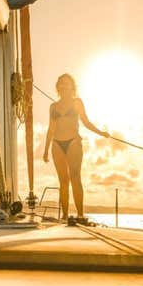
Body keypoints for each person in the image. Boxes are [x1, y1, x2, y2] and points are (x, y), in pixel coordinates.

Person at [43, 73, 109, 222]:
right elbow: (51, 129)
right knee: (63, 181)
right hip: (57, 144)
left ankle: (80, 214)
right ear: (57, 87)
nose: (63, 85)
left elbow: (86, 122)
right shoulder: (53, 107)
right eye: (60, 83)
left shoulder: (77, 102)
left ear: (72, 86)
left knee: (75, 177)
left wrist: (101, 133)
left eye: (66, 83)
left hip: (73, 142)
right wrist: (46, 149)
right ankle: (65, 215)